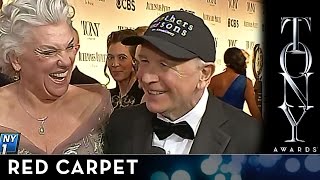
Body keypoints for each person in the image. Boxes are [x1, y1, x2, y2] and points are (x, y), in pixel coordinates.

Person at [104, 10, 262, 154]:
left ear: (204, 74)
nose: (146, 78)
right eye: (143, 61)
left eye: (164, 65)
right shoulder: (121, 124)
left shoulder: (250, 137)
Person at [0, 0, 112, 154]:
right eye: (48, 52)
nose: (66, 61)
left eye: (70, 47)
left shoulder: (99, 103)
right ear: (16, 59)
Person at [209, 47, 262, 121]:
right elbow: (254, 112)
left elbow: (208, 106)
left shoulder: (214, 79)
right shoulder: (246, 82)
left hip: (215, 124)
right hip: (235, 127)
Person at [105, 29, 144, 109]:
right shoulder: (106, 97)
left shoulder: (145, 97)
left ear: (135, 60)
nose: (114, 64)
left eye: (122, 58)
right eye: (110, 57)